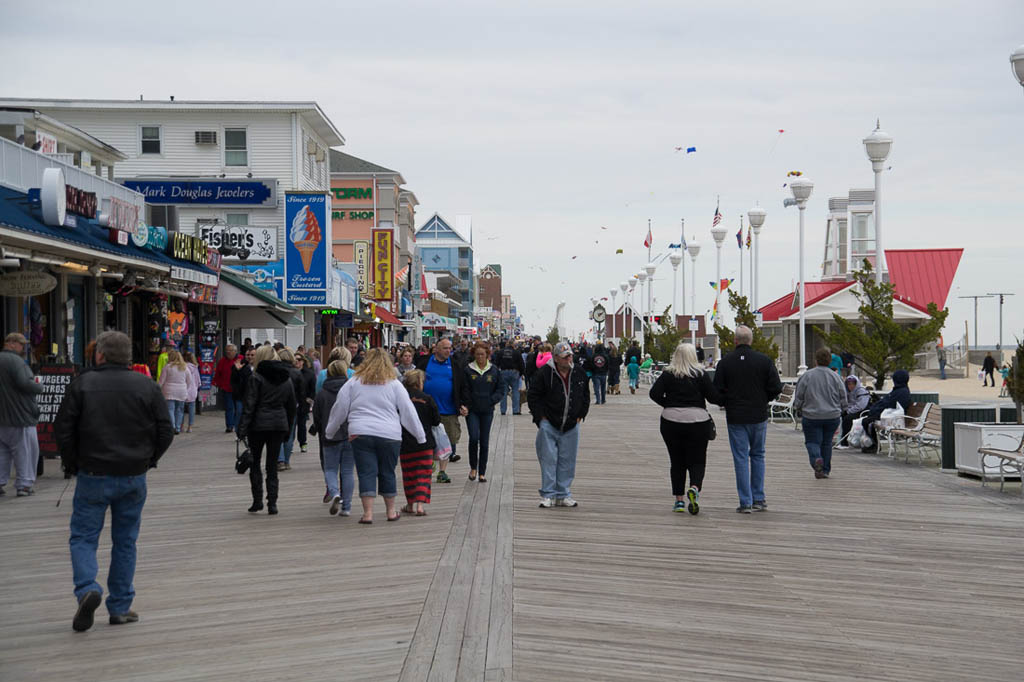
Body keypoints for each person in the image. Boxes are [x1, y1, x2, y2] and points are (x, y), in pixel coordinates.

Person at [54, 331, 173, 632]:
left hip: (93, 473)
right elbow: (165, 430)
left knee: (83, 537)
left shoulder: (81, 383)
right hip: (133, 474)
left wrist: (72, 463)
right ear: (129, 358)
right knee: (126, 541)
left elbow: (63, 430)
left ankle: (86, 589)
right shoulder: (146, 385)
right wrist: (149, 459)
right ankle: (120, 606)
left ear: (100, 355)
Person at [325, 348, 425, 524]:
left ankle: (368, 514)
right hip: (390, 434)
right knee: (388, 472)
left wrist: (330, 431)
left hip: (360, 432)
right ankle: (391, 512)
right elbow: (408, 411)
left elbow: (340, 408)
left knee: (366, 472)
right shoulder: (394, 384)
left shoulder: (354, 382)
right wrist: (420, 436)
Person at [713, 325, 783, 514]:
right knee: (758, 455)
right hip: (758, 415)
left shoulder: (725, 362)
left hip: (736, 416)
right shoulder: (764, 361)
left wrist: (725, 401)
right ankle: (759, 498)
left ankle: (745, 501)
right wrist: (764, 398)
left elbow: (716, 390)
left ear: (735, 340)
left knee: (741, 458)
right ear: (750, 340)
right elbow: (776, 387)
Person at [649, 343, 721, 514]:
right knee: (697, 460)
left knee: (677, 461)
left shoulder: (668, 374)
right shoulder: (700, 374)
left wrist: (669, 404)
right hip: (697, 421)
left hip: (671, 421)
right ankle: (694, 488)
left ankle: (679, 501)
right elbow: (713, 397)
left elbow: (654, 394)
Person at [527, 341, 590, 508]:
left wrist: (581, 414)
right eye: (564, 357)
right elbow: (533, 395)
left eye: (570, 355)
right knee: (548, 459)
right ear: (555, 358)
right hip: (549, 423)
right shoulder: (544, 373)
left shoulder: (579, 372)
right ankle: (548, 494)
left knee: (568, 460)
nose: (569, 359)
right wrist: (540, 417)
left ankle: (563, 494)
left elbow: (585, 395)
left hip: (571, 424)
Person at [237, 345, 295, 515]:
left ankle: (257, 501)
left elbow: (250, 405)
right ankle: (272, 503)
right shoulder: (286, 378)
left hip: (258, 425)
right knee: (272, 465)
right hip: (278, 424)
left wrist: (242, 428)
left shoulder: (256, 377)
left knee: (255, 463)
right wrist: (288, 428)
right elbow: (291, 406)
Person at [415, 338, 468, 483]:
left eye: (450, 348)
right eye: (445, 348)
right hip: (425, 409)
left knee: (447, 441)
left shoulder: (454, 364)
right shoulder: (425, 362)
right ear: (436, 349)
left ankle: (442, 472)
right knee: (425, 439)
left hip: (448, 409)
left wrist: (463, 404)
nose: (448, 351)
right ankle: (429, 464)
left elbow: (462, 386)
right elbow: (414, 381)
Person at [0, 332, 43, 497]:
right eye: (21, 344)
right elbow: (26, 383)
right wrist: (39, 385)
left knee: (2, 452)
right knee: (25, 451)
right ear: (10, 343)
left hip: (2, 417)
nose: (23, 347)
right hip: (19, 416)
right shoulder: (17, 362)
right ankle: (24, 485)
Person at [793, 348, 848, 479]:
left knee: (812, 442)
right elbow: (843, 395)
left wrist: (798, 407)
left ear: (815, 360)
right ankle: (825, 470)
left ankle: (817, 459)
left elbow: (799, 395)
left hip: (812, 415)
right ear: (829, 361)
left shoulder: (807, 375)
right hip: (832, 415)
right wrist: (844, 409)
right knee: (827, 443)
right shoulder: (836, 377)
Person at [312, 358, 354, 516]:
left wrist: (320, 429)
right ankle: (347, 507)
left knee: (330, 468)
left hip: (329, 435)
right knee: (347, 471)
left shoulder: (322, 393)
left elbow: (316, 415)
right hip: (349, 434)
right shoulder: (351, 390)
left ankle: (334, 492)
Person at [399, 369, 440, 516]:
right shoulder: (427, 398)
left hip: (405, 443)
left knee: (409, 474)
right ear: (419, 382)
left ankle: (410, 505)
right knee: (424, 473)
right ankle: (420, 506)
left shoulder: (401, 399)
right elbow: (436, 420)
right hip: (425, 442)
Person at [463, 341, 504, 482]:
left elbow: (501, 389)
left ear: (487, 355)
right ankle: (473, 467)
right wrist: (466, 404)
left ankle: (482, 472)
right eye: (477, 354)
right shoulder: (468, 370)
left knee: (484, 441)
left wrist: (492, 400)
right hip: (472, 410)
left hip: (487, 410)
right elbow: (464, 389)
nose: (480, 357)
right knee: (474, 438)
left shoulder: (494, 370)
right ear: (473, 354)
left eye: (483, 354)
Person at [860, 369, 911, 453]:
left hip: (895, 418)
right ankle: (874, 444)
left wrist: (876, 409)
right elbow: (887, 402)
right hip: (890, 415)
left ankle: (875, 445)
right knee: (867, 420)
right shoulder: (899, 390)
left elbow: (891, 404)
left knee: (867, 421)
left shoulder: (902, 392)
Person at [276, 347, 305, 471]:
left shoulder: (275, 372)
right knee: (290, 434)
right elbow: (301, 392)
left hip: (277, 406)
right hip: (293, 406)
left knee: (278, 433)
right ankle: (286, 461)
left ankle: (280, 460)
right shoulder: (297, 373)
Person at [157, 350, 194, 435]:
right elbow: (189, 381)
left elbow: (161, 381)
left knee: (170, 409)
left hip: (169, 391)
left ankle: (172, 426)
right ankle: (177, 428)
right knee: (180, 410)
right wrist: (185, 388)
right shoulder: (185, 367)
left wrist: (157, 389)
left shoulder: (167, 367)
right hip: (181, 392)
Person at [837, 375, 871, 448]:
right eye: (849, 384)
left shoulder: (861, 391)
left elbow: (861, 405)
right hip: (851, 410)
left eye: (853, 384)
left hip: (862, 411)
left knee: (847, 419)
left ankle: (844, 441)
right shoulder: (846, 392)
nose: (851, 386)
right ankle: (840, 440)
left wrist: (848, 411)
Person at [213, 344, 238, 433]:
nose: (228, 352)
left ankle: (236, 424)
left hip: (238, 389)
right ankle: (229, 426)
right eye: (227, 350)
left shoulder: (240, 360)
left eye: (230, 350)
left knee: (238, 408)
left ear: (235, 351)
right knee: (229, 408)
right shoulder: (222, 361)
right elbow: (218, 374)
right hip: (227, 388)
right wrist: (216, 383)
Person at [230, 346, 255, 434]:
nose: (250, 357)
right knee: (240, 414)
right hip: (241, 396)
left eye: (252, 355)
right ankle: (239, 433)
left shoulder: (259, 366)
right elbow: (234, 380)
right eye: (248, 355)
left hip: (254, 396)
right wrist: (237, 370)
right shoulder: (241, 365)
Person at [495, 341, 525, 416]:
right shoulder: (517, 352)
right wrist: (521, 374)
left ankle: (503, 410)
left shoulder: (501, 352)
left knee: (504, 392)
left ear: (506, 344)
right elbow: (521, 364)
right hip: (514, 372)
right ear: (513, 345)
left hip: (503, 372)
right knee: (515, 392)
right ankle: (516, 410)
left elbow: (496, 363)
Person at [294, 354, 316, 454]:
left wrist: (310, 399)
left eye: (299, 359)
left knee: (302, 425)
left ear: (303, 361)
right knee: (291, 426)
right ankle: (288, 444)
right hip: (292, 403)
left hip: (303, 403)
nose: (297, 361)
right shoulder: (290, 372)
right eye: (295, 360)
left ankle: (303, 443)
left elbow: (313, 388)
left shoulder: (309, 374)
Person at [182, 351, 201, 433]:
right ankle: (190, 426)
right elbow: (197, 379)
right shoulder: (195, 367)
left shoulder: (182, 367)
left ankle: (180, 426)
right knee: (191, 409)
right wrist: (197, 386)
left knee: (180, 409)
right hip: (192, 389)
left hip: (184, 388)